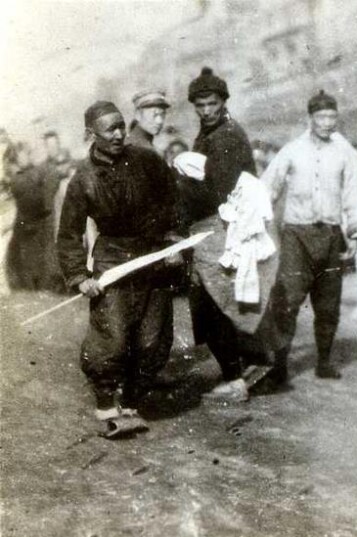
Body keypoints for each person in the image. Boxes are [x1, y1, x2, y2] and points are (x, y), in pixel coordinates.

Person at [57, 101, 181, 436]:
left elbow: (172, 202)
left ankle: (132, 400)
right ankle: (105, 401)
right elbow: (68, 233)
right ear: (90, 134)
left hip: (151, 256)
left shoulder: (147, 160)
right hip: (111, 258)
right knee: (110, 337)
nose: (118, 134)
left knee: (152, 337)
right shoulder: (82, 179)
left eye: (122, 126)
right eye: (109, 129)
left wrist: (172, 241)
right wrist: (80, 277)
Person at [258, 90, 357, 384]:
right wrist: (256, 219)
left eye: (332, 117)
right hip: (297, 235)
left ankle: (324, 361)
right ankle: (280, 365)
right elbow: (267, 187)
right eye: (321, 117)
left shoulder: (343, 153)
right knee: (288, 300)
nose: (327, 122)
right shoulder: (292, 150)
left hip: (331, 235)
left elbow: (354, 194)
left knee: (328, 302)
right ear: (309, 118)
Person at [179, 67, 269, 402]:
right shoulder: (208, 135)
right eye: (200, 105)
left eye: (211, 103)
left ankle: (237, 376)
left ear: (223, 101)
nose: (206, 111)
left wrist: (181, 191)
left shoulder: (227, 137)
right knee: (221, 300)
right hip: (219, 226)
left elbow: (216, 191)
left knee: (216, 302)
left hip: (225, 228)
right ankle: (246, 366)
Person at [5, 144, 63, 291]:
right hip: (29, 234)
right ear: (16, 158)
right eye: (25, 153)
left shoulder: (26, 175)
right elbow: (39, 203)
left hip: (33, 233)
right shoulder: (18, 180)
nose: (29, 155)